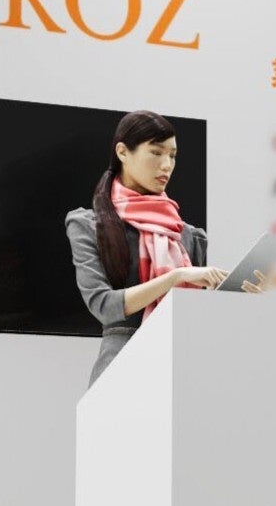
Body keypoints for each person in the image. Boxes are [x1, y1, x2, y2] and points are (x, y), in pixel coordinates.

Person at [67, 110, 223, 383]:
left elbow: (200, 317)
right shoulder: (88, 225)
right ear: (122, 152)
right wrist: (175, 277)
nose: (167, 165)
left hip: (182, 371)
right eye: (156, 152)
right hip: (119, 374)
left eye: (172, 155)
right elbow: (103, 305)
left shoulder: (190, 236)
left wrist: (236, 294)